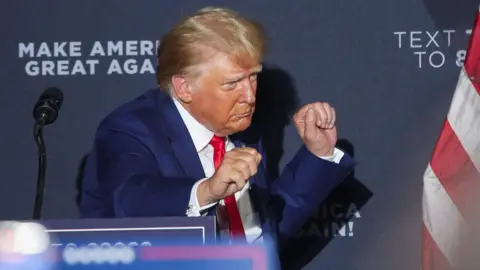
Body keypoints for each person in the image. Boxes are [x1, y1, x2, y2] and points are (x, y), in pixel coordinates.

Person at [79, 5, 355, 263]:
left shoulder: (241, 130)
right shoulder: (130, 129)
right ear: (185, 88)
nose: (249, 96)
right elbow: (128, 200)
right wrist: (207, 190)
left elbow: (262, 230)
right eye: (233, 83)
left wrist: (318, 153)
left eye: (253, 77)